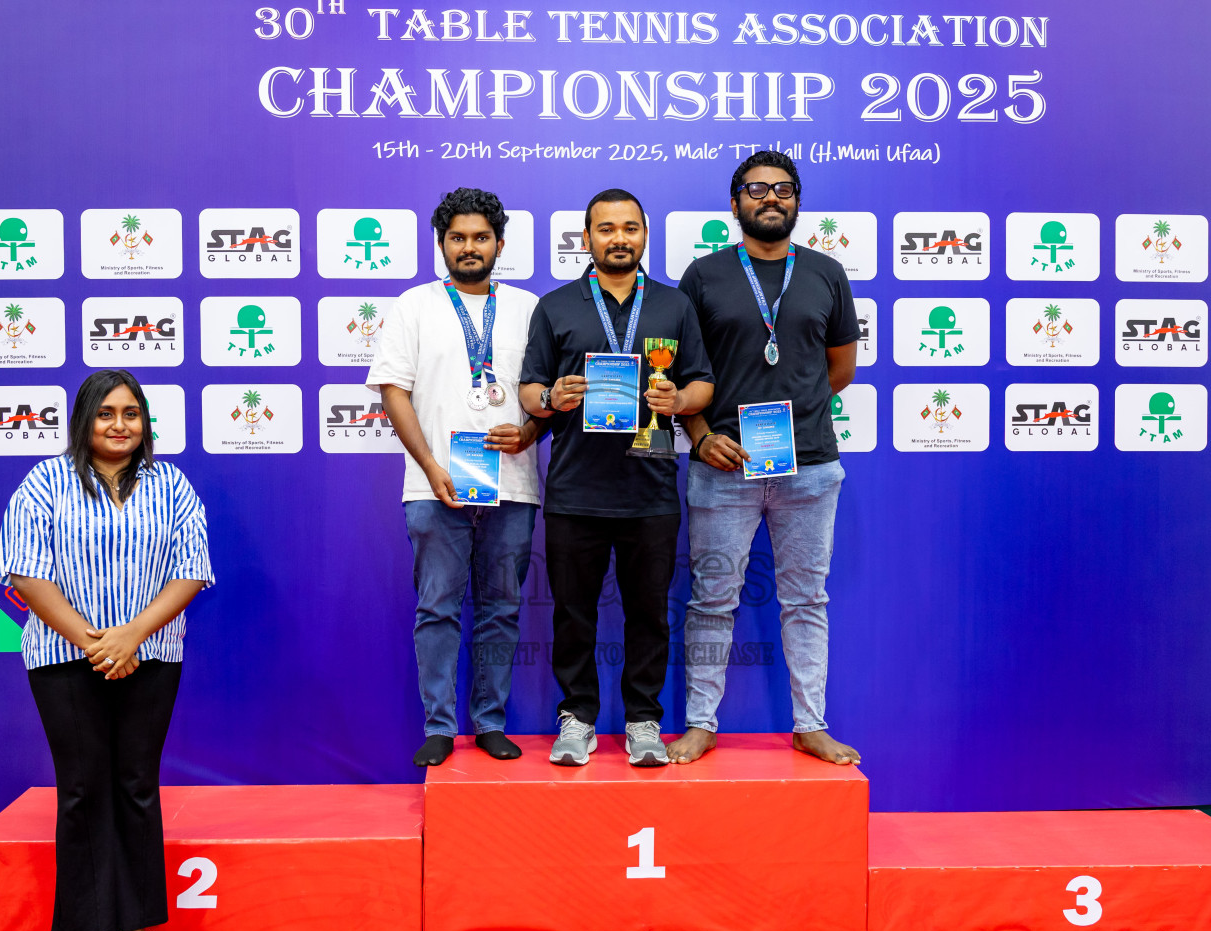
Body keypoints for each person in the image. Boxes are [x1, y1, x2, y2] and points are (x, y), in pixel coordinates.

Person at [0, 369, 213, 931]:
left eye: (132, 414)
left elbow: (191, 571)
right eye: (106, 413)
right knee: (84, 789)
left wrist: (130, 637)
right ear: (84, 421)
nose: (120, 425)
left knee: (138, 786)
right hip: (65, 658)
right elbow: (26, 575)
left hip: (151, 655)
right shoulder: (45, 482)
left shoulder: (171, 485)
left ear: (146, 423)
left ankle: (137, 930)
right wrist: (96, 642)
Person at [671, 150, 862, 767]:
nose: (770, 198)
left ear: (797, 202)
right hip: (722, 467)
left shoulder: (828, 272)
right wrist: (702, 436)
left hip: (809, 467)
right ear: (735, 205)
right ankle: (700, 722)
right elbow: (682, 375)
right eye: (756, 190)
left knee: (807, 600)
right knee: (711, 600)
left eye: (783, 189)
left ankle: (810, 724)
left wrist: (798, 414)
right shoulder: (703, 276)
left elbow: (841, 369)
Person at [520, 188, 715, 767]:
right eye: (606, 229)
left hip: (650, 487)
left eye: (629, 228)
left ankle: (644, 722)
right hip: (576, 490)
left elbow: (703, 382)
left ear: (644, 236)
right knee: (572, 612)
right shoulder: (556, 306)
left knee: (649, 613)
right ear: (587, 239)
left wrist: (678, 398)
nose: (619, 238)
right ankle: (576, 718)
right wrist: (553, 395)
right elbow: (529, 389)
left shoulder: (675, 305)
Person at [368, 187, 543, 768]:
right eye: (457, 238)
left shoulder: (527, 308)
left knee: (501, 608)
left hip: (512, 485)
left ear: (499, 242)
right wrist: (430, 466)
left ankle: (490, 722)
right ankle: (440, 727)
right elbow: (394, 392)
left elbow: (544, 398)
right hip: (434, 485)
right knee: (437, 608)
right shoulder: (413, 305)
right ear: (442, 243)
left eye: (481, 237)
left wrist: (530, 434)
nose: (470, 247)